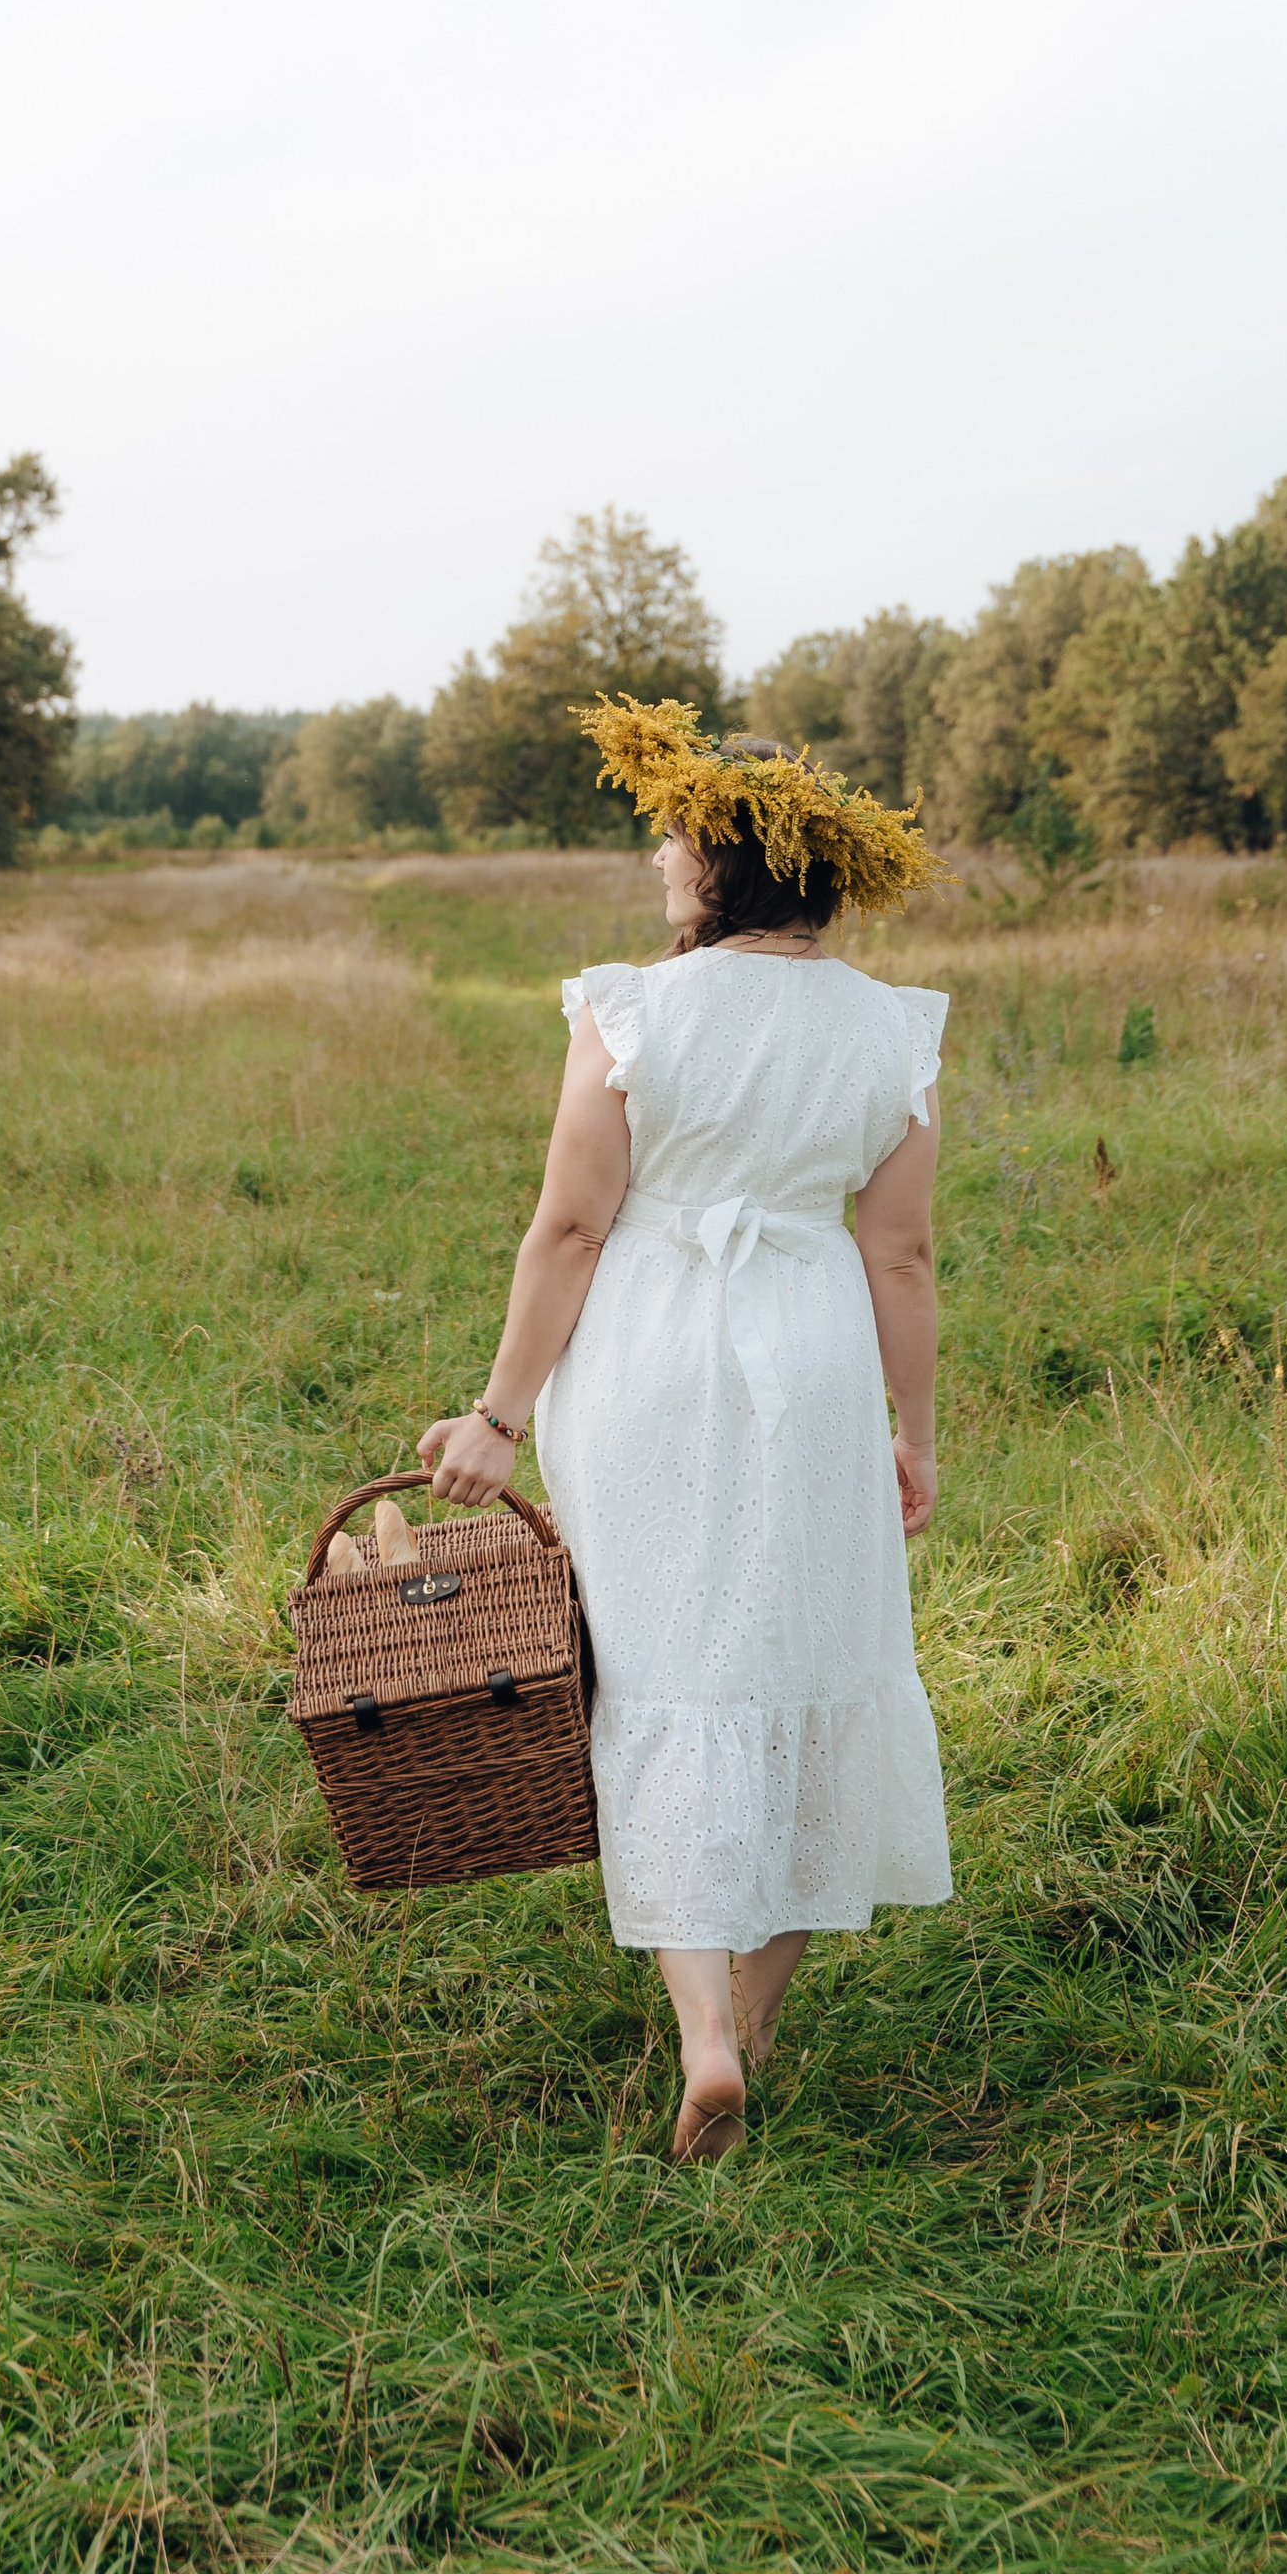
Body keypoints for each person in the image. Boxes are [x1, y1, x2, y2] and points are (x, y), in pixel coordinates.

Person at [419, 696, 953, 2162]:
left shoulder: (631, 1009)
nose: (659, 854)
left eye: (674, 838)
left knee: (656, 1670)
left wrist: (497, 1416)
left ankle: (704, 2032)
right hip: (816, 1362)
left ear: (722, 867)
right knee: (810, 1661)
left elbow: (575, 1223)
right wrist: (914, 1432)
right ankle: (754, 2033)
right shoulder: (891, 1030)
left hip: (651, 1357)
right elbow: (898, 1257)